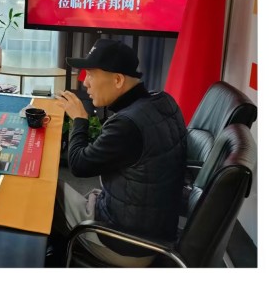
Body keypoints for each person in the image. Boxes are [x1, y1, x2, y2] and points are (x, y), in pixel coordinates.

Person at [51, 39, 187, 267]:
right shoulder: (164, 101)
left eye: (91, 74)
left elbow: (78, 164)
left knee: (46, 189)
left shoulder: (127, 125)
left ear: (117, 80)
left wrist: (80, 119)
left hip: (125, 244)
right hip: (154, 231)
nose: (85, 82)